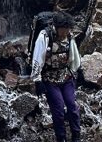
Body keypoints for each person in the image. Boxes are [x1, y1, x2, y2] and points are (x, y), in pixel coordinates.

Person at [30, 11, 84, 142]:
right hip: (50, 79)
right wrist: (37, 80)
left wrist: (79, 69)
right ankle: (61, 138)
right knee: (58, 110)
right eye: (63, 30)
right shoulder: (45, 36)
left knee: (72, 107)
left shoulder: (69, 36)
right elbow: (37, 58)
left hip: (66, 76)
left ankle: (76, 135)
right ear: (57, 27)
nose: (65, 33)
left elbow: (74, 54)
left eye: (68, 29)